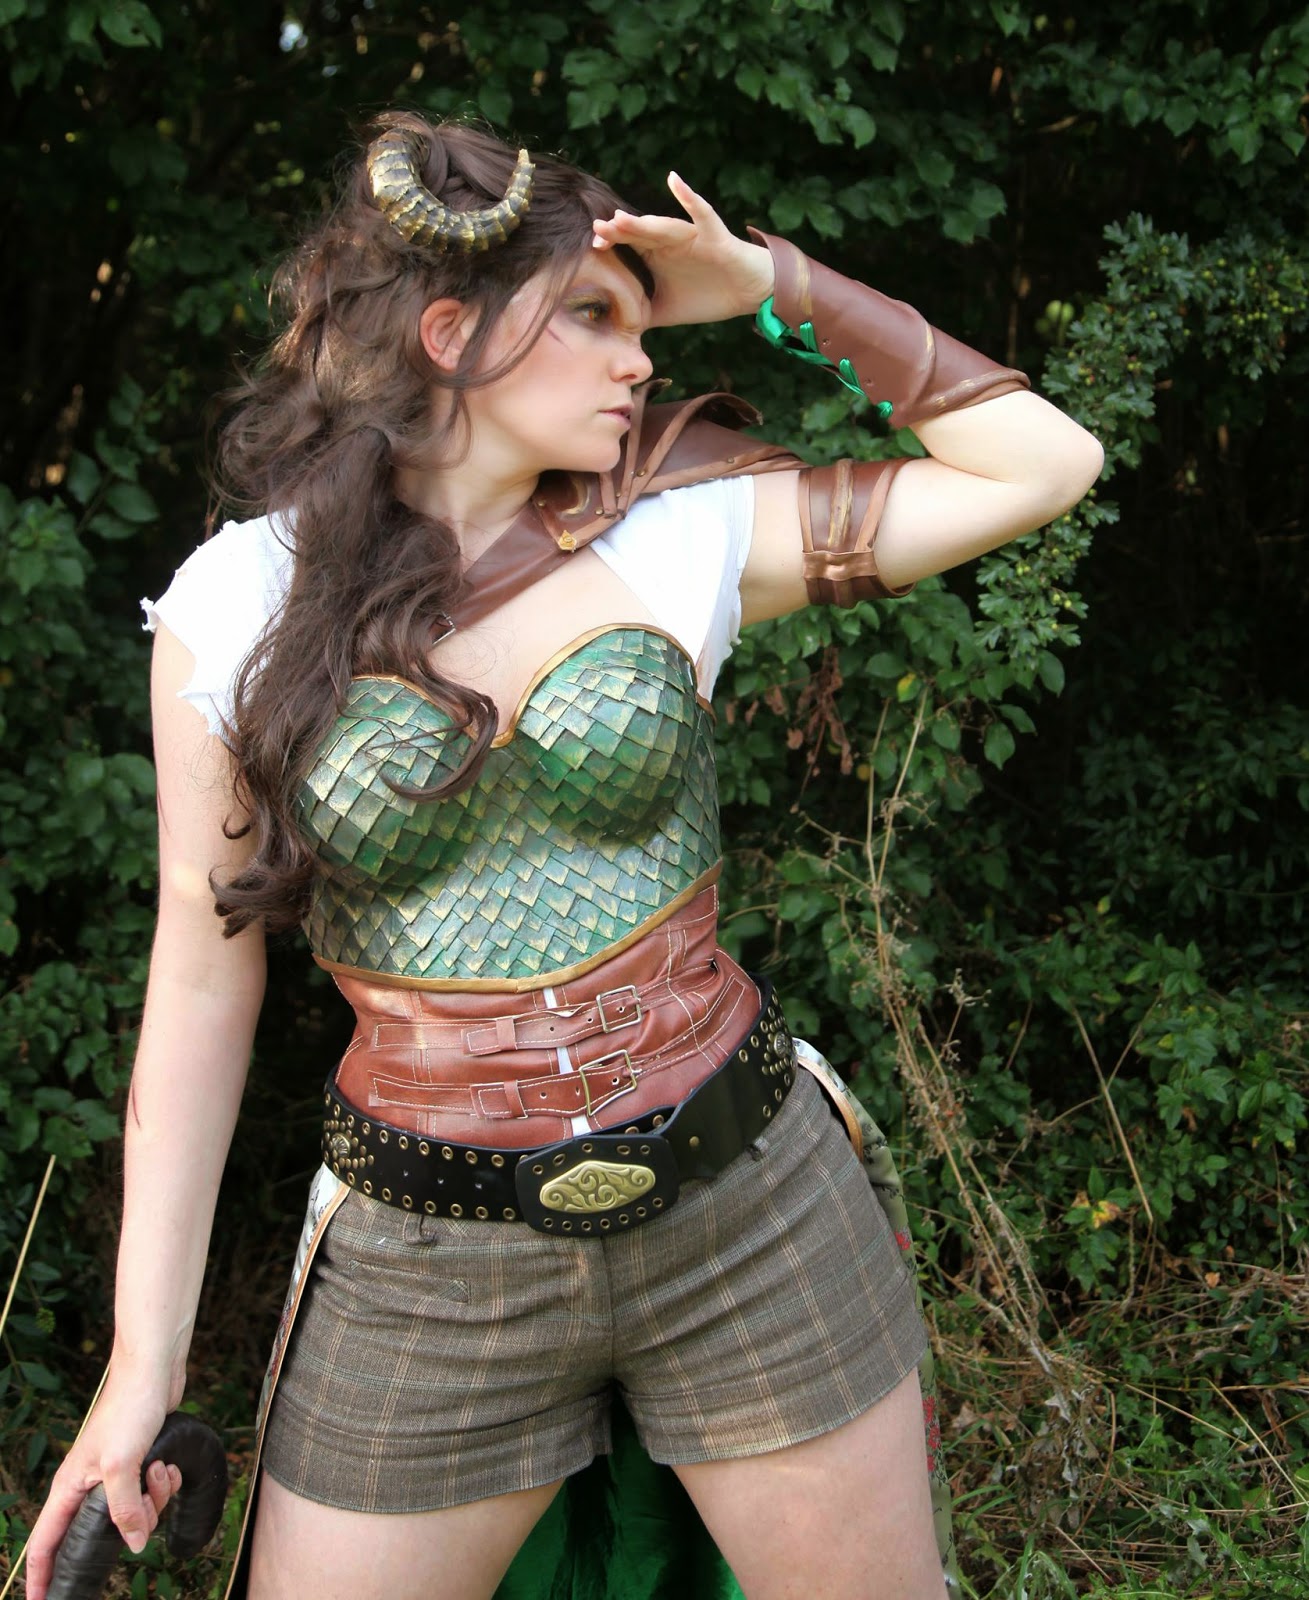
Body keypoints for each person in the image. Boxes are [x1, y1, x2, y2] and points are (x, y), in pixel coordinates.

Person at [24, 112, 1102, 1600]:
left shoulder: (680, 534)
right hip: (428, 1259)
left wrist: (777, 285)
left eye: (640, 325)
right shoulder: (238, 603)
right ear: (451, 335)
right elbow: (203, 983)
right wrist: (138, 1366)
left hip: (746, 1209)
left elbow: (1043, 465)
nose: (638, 360)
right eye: (593, 315)